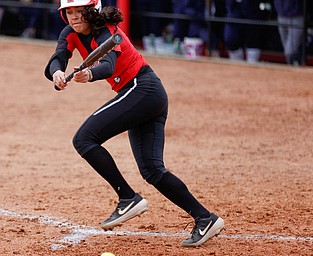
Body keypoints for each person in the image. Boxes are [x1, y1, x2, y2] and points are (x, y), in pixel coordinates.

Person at [44, 0, 224, 247]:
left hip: (143, 88)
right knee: (152, 171)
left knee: (84, 139)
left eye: (79, 12)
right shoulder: (70, 33)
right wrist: (57, 73)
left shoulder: (106, 30)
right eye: (70, 13)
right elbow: (57, 58)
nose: (74, 18)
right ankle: (205, 218)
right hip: (142, 95)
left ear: (91, 12)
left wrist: (90, 75)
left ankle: (127, 197)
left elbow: (108, 65)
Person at [273, 0, 304, 66]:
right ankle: (294, 68)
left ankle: (293, 69)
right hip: (281, 15)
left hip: (297, 16)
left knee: (290, 50)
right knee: (287, 49)